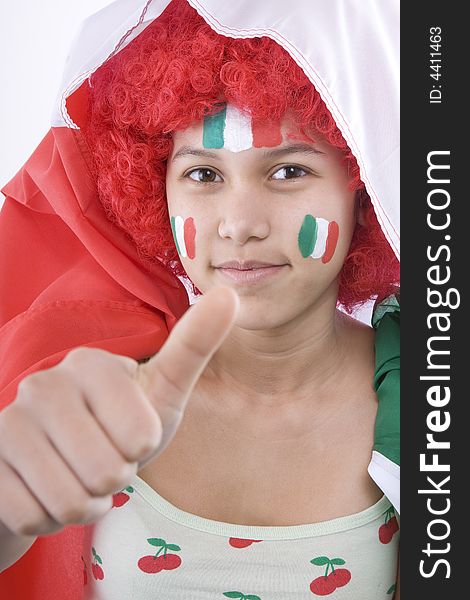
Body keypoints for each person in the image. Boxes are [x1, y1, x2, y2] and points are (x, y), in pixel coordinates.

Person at [0, 0, 400, 598]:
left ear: (364, 192)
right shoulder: (93, 384)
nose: (238, 225)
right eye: (203, 175)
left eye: (288, 172)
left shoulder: (427, 398)